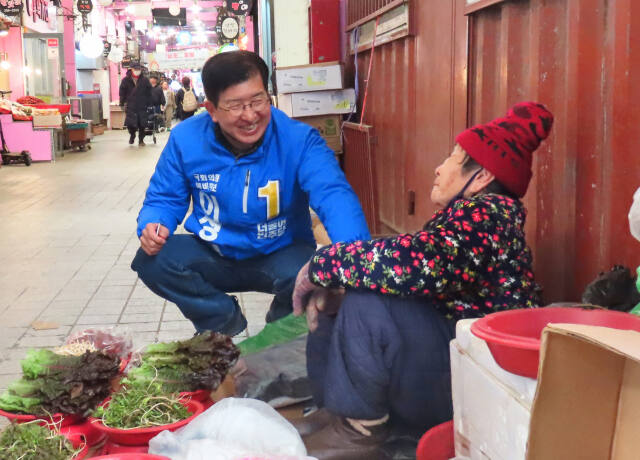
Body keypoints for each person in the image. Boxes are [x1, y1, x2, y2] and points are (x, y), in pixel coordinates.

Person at [291, 102, 554, 459]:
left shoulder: (488, 219)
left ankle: (360, 430)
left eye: (452, 158)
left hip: (474, 380)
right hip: (447, 359)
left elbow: (415, 265)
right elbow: (404, 256)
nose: (439, 168)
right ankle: (338, 413)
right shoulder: (468, 217)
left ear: (481, 177)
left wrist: (321, 264)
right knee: (339, 291)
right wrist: (333, 277)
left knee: (369, 299)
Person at [130, 51, 370, 337]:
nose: (250, 115)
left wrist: (357, 258)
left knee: (315, 272)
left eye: (258, 101)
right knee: (153, 260)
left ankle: (279, 335)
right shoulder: (186, 139)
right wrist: (154, 224)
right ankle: (220, 322)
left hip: (280, 253)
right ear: (212, 109)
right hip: (214, 252)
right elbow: (165, 198)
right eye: (235, 106)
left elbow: (333, 195)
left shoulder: (299, 140)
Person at [119, 63, 152, 146]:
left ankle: (141, 140)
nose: (137, 71)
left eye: (139, 69)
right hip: (131, 105)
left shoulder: (145, 80)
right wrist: (122, 103)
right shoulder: (125, 80)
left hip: (142, 105)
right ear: (132, 69)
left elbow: (149, 92)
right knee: (131, 123)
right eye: (136, 69)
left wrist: (149, 102)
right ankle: (132, 135)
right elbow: (122, 93)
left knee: (142, 124)